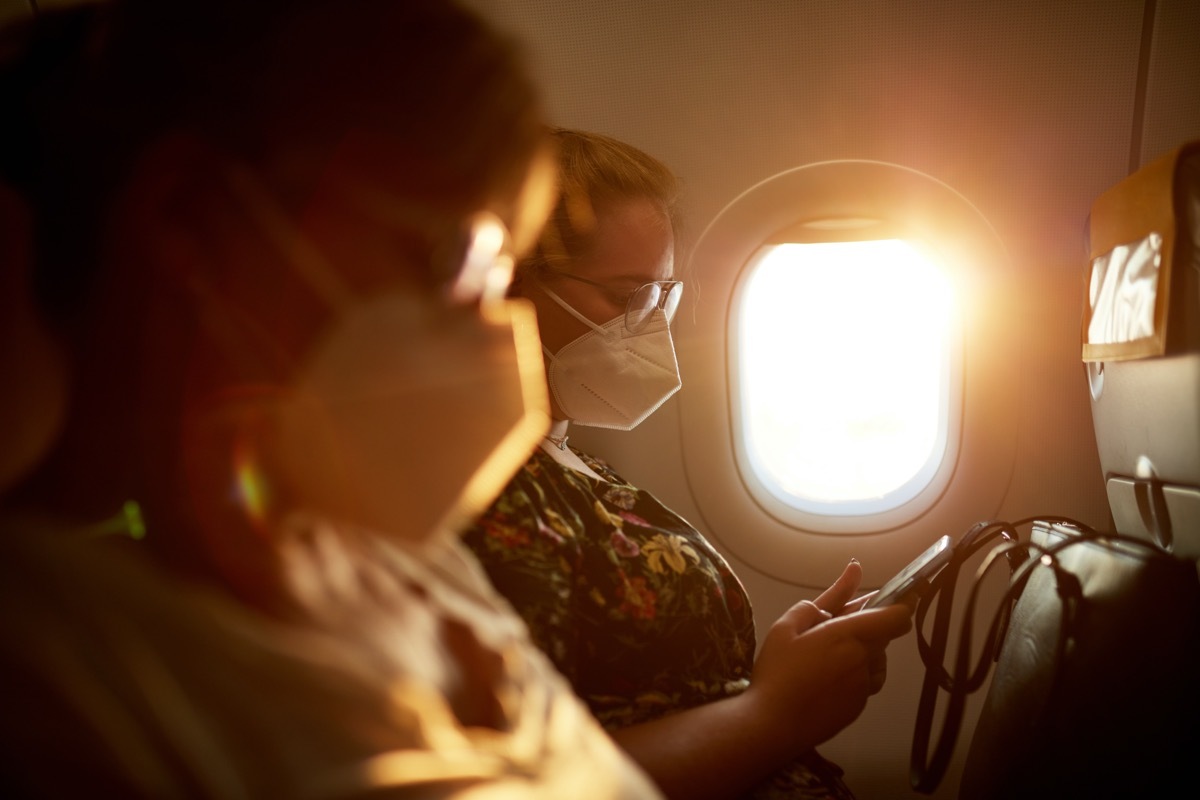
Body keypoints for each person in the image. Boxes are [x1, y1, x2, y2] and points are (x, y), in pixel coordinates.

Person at [0, 3, 662, 797]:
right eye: (453, 258)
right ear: (191, 225)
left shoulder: (416, 566)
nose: (493, 330)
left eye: (499, 273)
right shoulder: (53, 662)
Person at [462, 129, 914, 800]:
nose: (650, 329)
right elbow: (526, 783)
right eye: (625, 297)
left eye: (661, 298)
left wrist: (781, 676)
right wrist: (774, 714)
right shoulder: (483, 494)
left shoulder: (576, 465)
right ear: (507, 285)